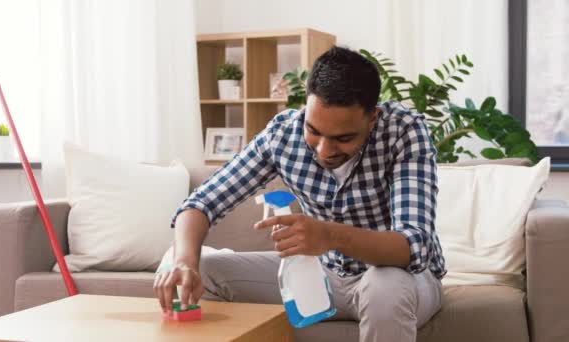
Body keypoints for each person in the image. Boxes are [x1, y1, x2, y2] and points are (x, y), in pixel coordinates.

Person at [154, 46, 446, 342]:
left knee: (385, 288)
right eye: (313, 130)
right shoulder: (283, 134)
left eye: (343, 138)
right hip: (322, 275)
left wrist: (331, 236)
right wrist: (184, 263)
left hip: (399, 277)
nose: (323, 151)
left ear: (373, 118)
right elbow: (201, 202)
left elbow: (412, 247)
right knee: (200, 267)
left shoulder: (403, 131)